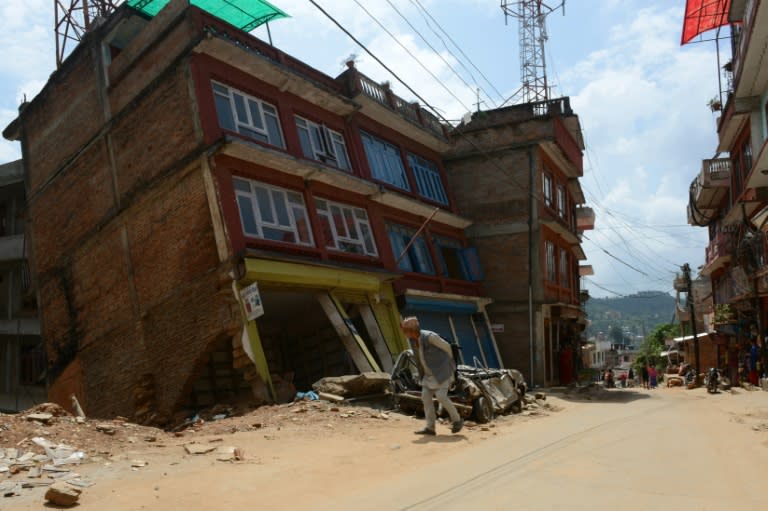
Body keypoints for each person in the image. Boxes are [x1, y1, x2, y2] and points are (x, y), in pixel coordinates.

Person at [400, 316, 464, 435]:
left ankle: (457, 420)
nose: (405, 334)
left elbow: (448, 348)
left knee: (441, 396)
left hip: (442, 371)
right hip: (428, 375)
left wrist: (450, 366)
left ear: (412, 330)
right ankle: (430, 427)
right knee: (425, 398)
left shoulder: (430, 336)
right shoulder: (414, 341)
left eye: (405, 331)